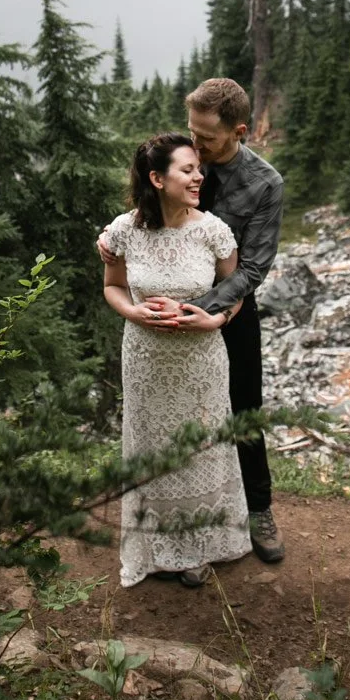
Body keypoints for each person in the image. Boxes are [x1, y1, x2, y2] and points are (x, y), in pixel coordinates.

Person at [100, 78, 285, 564]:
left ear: (239, 131)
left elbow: (252, 268)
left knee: (243, 410)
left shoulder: (264, 184)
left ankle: (258, 509)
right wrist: (110, 237)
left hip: (230, 308)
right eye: (192, 133)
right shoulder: (185, 158)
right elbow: (149, 195)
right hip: (162, 312)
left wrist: (208, 309)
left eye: (206, 139)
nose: (197, 149)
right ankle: (176, 520)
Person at [102, 132, 251, 589]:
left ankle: (195, 550)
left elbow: (237, 289)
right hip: (145, 357)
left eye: (198, 169)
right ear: (157, 178)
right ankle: (152, 548)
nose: (198, 177)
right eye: (187, 170)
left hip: (201, 358)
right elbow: (112, 286)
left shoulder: (212, 230)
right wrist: (133, 311)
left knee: (198, 447)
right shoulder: (124, 231)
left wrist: (216, 319)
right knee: (152, 446)